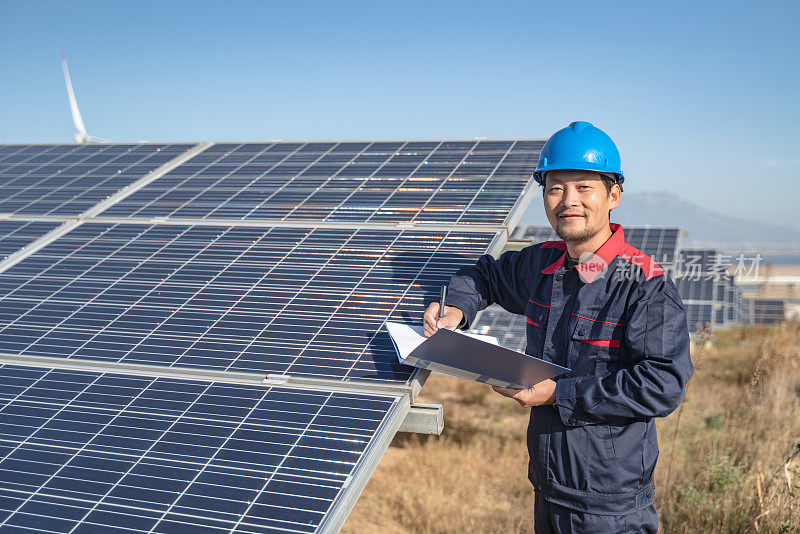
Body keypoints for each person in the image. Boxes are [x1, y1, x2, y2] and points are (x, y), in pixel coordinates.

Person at [422, 121, 693, 533]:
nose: (569, 200)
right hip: (547, 485)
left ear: (614, 195)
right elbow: (484, 276)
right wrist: (457, 309)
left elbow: (664, 384)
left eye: (584, 187)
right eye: (555, 188)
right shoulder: (543, 264)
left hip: (608, 504)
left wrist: (557, 394)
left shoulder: (644, 285)